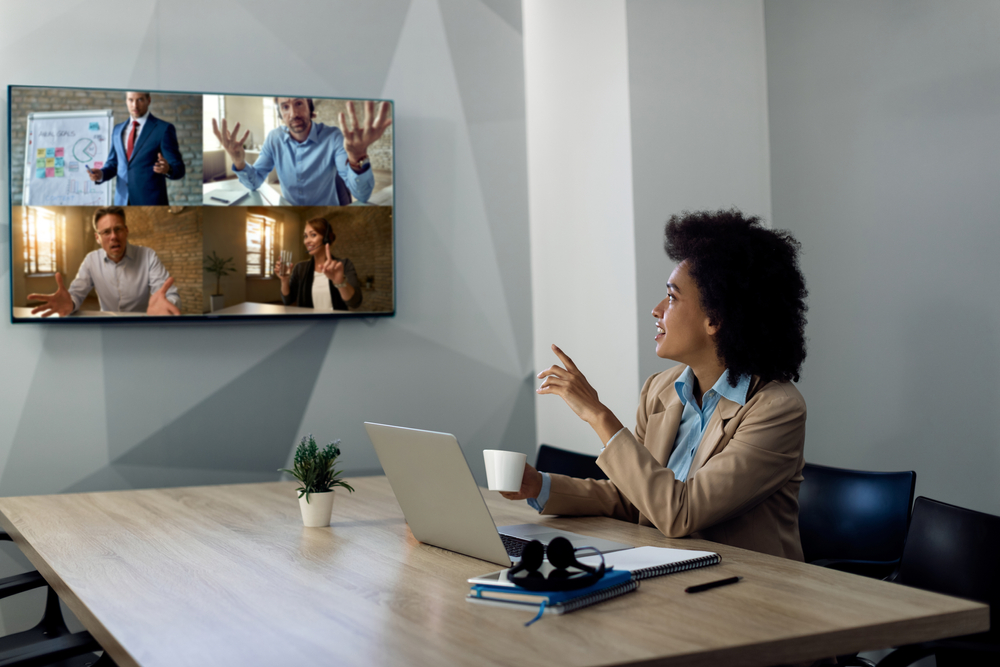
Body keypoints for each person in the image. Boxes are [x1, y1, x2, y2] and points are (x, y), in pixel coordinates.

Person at [502, 209, 809, 560]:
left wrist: (599, 416)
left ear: (716, 319)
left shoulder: (776, 409)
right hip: (667, 573)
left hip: (747, 592)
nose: (657, 309)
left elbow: (681, 512)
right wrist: (539, 486)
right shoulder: (660, 390)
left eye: (673, 297)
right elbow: (636, 498)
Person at [212, 98, 391, 206]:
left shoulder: (333, 137)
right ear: (281, 114)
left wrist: (356, 158)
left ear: (310, 108)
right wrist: (239, 162)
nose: (293, 113)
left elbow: (363, 195)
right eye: (285, 107)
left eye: (299, 103)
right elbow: (254, 182)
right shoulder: (274, 138)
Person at [27, 207, 181, 317]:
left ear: (126, 231)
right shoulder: (90, 260)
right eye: (106, 232)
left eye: (118, 229)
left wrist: (167, 305)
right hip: (106, 326)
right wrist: (71, 303)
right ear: (97, 238)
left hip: (139, 324)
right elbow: (76, 293)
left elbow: (167, 294)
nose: (113, 236)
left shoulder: (148, 256)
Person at [86, 92, 186, 205]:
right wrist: (101, 174)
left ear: (149, 100)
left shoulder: (163, 129)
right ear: (126, 101)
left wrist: (168, 169)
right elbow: (113, 163)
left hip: (151, 203)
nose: (135, 105)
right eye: (130, 100)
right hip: (121, 201)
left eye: (140, 100)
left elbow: (179, 168)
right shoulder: (117, 130)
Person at [275, 217, 362, 311]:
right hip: (308, 323)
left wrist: (340, 282)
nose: (307, 241)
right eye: (305, 236)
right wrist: (284, 280)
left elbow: (355, 303)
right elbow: (287, 300)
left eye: (313, 235)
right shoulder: (300, 268)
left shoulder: (344, 264)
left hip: (336, 323)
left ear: (326, 238)